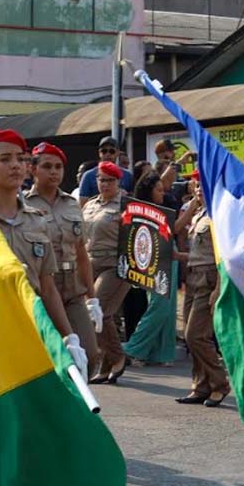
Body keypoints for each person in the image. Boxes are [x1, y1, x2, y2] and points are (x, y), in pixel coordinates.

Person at [0, 126, 87, 486]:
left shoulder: (37, 219)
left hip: (36, 340)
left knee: (46, 434)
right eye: (7, 159)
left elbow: (47, 286)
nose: (18, 166)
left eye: (22, 159)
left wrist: (68, 337)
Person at [24, 141, 102, 377]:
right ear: (33, 169)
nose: (54, 172)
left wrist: (92, 298)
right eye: (47, 166)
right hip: (42, 288)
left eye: (58, 167)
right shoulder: (23, 205)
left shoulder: (72, 204)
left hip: (73, 289)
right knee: (47, 357)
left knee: (89, 354)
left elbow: (81, 253)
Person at [174, 173, 230, 406]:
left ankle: (220, 382)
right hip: (193, 276)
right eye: (196, 185)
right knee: (191, 336)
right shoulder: (199, 214)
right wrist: (195, 204)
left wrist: (219, 287)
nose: (198, 189)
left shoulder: (219, 215)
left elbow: (223, 256)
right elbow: (176, 228)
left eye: (203, 186)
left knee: (196, 335)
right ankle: (200, 385)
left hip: (209, 278)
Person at [122, 172, 178, 365]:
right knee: (159, 306)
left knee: (169, 309)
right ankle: (133, 348)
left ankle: (161, 353)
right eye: (159, 189)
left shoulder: (162, 207)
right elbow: (175, 228)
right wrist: (194, 205)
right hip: (155, 258)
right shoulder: (142, 211)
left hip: (169, 256)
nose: (163, 193)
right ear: (148, 190)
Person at [83, 160, 131, 383]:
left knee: (100, 310)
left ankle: (118, 356)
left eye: (110, 180)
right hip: (91, 261)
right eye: (101, 179)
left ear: (118, 182)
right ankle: (106, 362)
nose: (105, 184)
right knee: (89, 314)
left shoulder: (126, 205)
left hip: (115, 263)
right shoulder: (91, 204)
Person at [78, 136, 133, 205]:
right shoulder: (88, 175)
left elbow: (134, 200)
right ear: (99, 153)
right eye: (104, 151)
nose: (108, 154)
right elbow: (83, 203)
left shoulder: (127, 175)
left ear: (118, 153)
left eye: (111, 151)